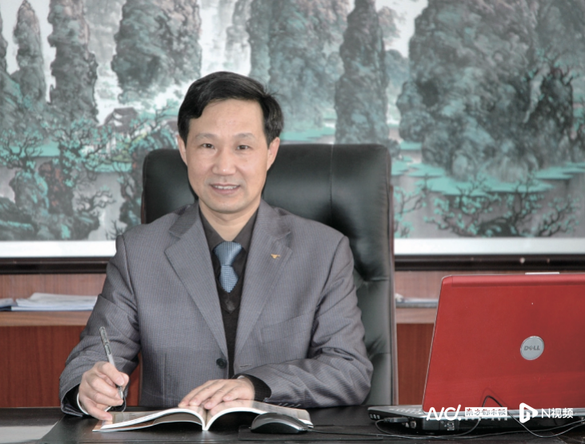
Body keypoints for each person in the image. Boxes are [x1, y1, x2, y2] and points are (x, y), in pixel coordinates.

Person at [59, 71, 373, 420]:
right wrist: (89, 386)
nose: (224, 167)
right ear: (183, 149)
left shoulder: (323, 251)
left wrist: (256, 385)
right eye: (207, 146)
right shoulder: (140, 253)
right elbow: (91, 358)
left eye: (242, 147)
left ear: (270, 152)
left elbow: (349, 371)